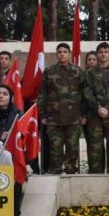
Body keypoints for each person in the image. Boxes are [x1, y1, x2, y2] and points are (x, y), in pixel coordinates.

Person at [38, 43, 86, 174]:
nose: (62, 54)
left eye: (65, 51)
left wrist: (84, 115)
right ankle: (55, 172)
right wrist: (43, 115)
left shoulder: (78, 71)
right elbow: (42, 94)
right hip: (54, 119)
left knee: (72, 148)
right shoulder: (49, 71)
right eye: (59, 52)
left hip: (73, 118)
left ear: (69, 54)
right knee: (55, 149)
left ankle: (71, 171)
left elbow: (85, 94)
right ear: (56, 54)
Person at [84, 42, 109, 174]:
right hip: (95, 115)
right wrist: (98, 108)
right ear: (97, 54)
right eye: (100, 52)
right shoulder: (89, 73)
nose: (103, 54)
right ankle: (96, 175)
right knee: (95, 147)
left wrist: (107, 108)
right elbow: (87, 92)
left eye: (106, 52)